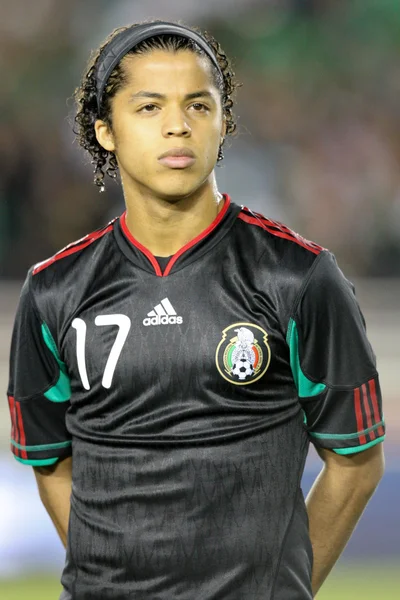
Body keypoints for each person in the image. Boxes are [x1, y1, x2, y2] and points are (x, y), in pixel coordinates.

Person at [6, 19, 385, 600]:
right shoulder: (53, 292)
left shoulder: (299, 277)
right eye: (150, 107)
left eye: (199, 106)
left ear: (224, 122)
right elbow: (50, 460)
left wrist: (280, 590)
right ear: (105, 130)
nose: (178, 126)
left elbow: (356, 463)